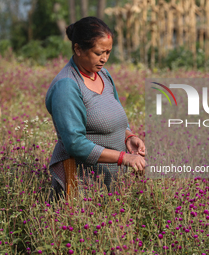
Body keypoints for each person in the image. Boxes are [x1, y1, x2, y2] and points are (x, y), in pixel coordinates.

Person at [45, 17, 146, 202]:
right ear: (78, 49)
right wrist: (124, 158)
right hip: (84, 188)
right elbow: (75, 144)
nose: (105, 59)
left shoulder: (103, 75)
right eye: (99, 52)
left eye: (108, 52)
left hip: (112, 183)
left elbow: (113, 115)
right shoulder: (67, 86)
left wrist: (129, 136)